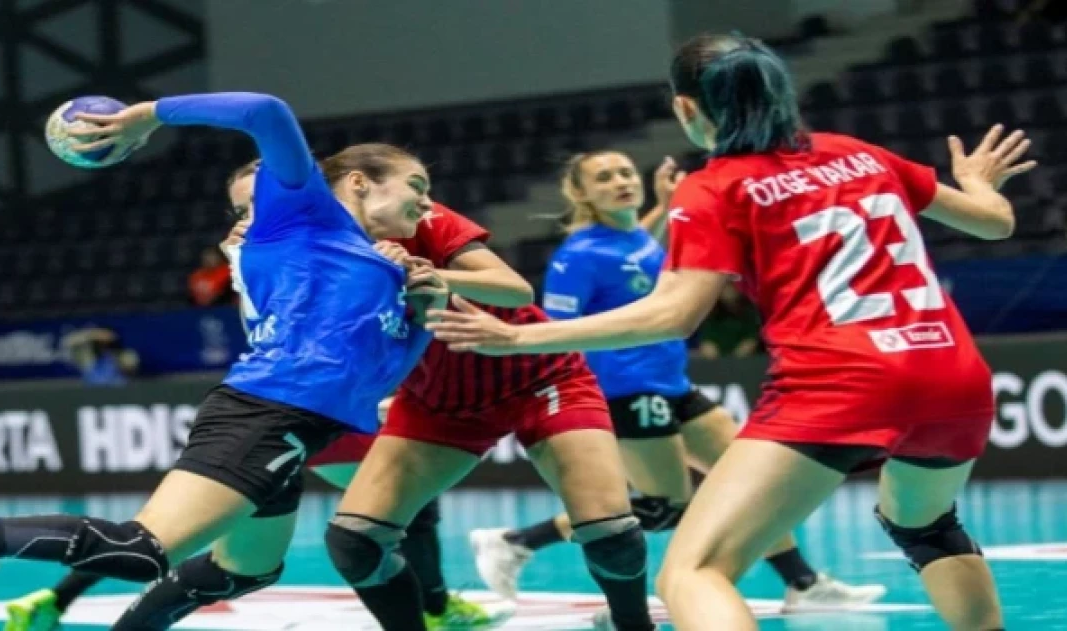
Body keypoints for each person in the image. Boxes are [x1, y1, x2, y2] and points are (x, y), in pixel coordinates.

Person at [427, 32, 1034, 631]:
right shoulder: (860, 154)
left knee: (693, 573)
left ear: (686, 108)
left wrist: (515, 338)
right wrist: (980, 182)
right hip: (953, 377)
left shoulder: (716, 186)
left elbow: (672, 314)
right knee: (926, 525)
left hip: (842, 382)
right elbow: (994, 223)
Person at [0, 92, 449, 631]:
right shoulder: (305, 215)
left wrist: (425, 313)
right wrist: (145, 116)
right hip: (268, 414)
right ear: (358, 183)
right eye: (417, 187)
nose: (426, 203)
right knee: (138, 550)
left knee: (247, 569)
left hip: (303, 426)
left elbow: (376, 378)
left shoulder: (376, 267)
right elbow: (265, 111)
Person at [3, 165, 499, 631]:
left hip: (323, 408)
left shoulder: (347, 237)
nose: (252, 217)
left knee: (216, 548)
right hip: (310, 412)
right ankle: (436, 609)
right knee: (388, 512)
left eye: (261, 203)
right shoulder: (273, 255)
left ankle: (58, 598)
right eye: (243, 210)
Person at [468, 149, 885, 611]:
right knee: (665, 507)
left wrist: (663, 208)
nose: (620, 182)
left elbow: (633, 257)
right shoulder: (579, 256)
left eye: (625, 172)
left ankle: (804, 584)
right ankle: (517, 541)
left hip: (674, 384)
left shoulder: (637, 235)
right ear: (582, 194)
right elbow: (554, 328)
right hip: (627, 390)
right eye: (604, 178)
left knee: (752, 481)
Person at [325, 204, 659, 631]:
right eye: (415, 186)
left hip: (536, 376)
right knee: (356, 541)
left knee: (612, 535)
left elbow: (516, 289)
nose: (422, 197)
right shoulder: (307, 253)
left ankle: (633, 625)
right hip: (439, 401)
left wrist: (430, 275)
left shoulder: (425, 217)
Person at [63, 327, 140, 386]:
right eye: (98, 343)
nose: (102, 345)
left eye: (105, 343)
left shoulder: (125, 355)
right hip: (92, 392)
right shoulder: (86, 357)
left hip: (118, 391)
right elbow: (67, 342)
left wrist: (115, 359)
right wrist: (91, 335)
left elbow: (131, 369)